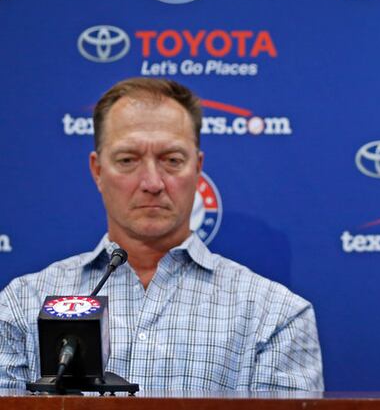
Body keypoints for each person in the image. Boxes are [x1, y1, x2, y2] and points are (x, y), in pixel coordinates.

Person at [0, 78, 323, 391]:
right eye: (128, 160)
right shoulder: (22, 304)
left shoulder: (276, 316)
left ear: (197, 169)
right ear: (98, 171)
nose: (152, 182)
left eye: (172, 160)